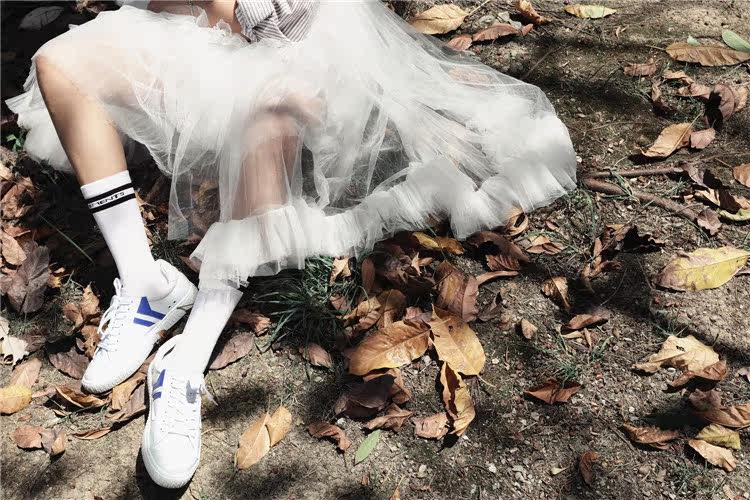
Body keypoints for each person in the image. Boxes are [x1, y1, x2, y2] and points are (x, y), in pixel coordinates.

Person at [6, 0, 577, 488]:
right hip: (199, 31)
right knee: (61, 63)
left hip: (298, 46)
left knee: (268, 105)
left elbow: (267, 24)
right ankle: (147, 285)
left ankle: (184, 364)